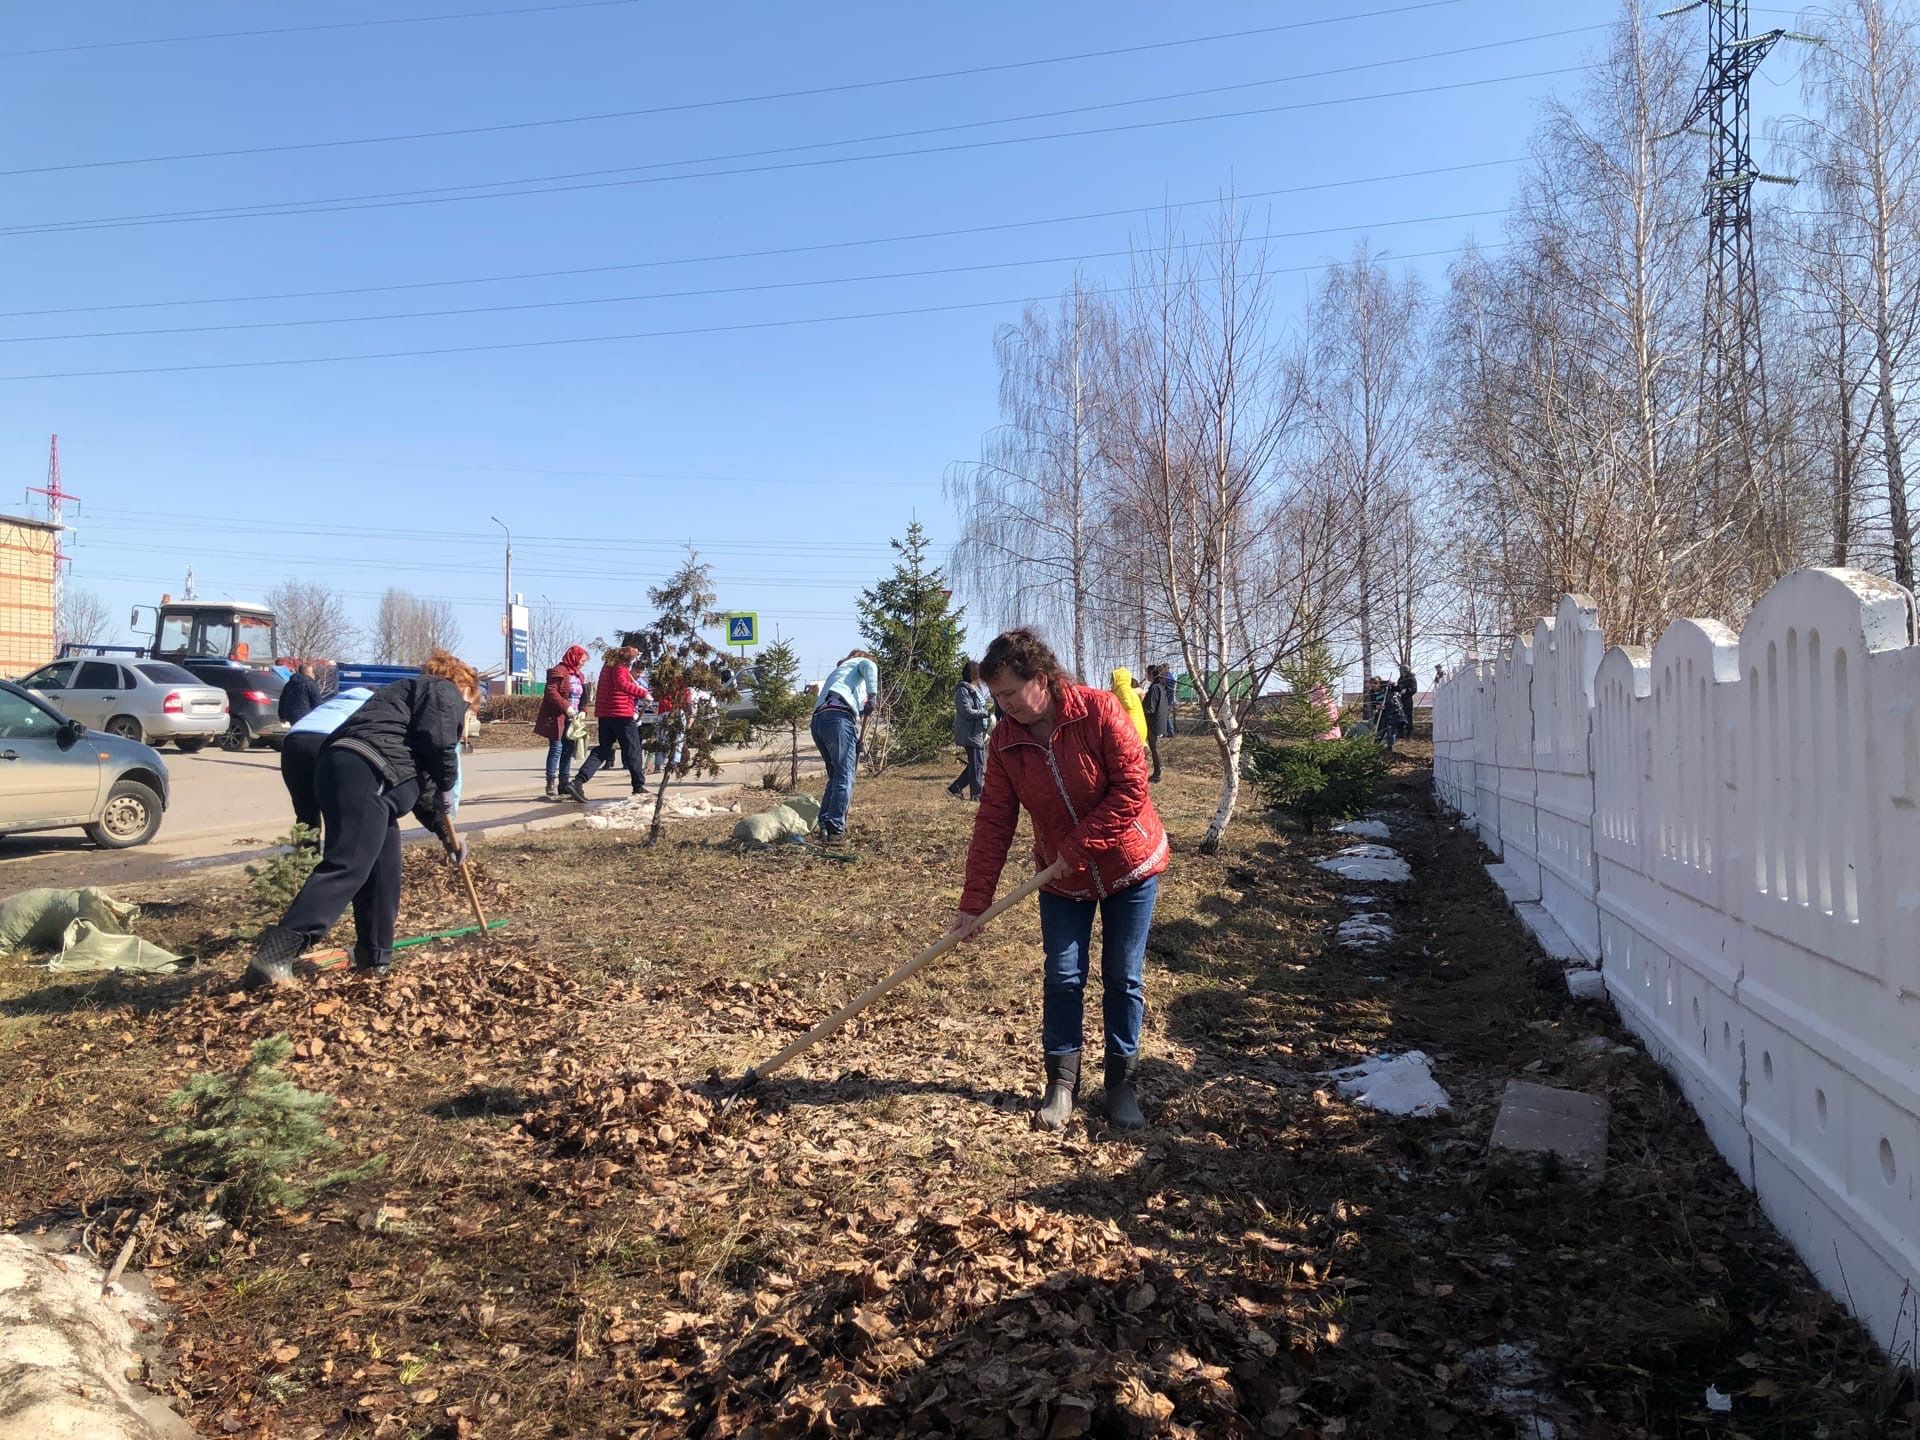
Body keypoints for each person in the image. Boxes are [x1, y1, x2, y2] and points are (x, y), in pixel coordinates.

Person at [950, 628, 1169, 1132]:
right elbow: (994, 821)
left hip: (1129, 866)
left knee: (1122, 976)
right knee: (1063, 976)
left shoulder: (1098, 711)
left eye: (1009, 693)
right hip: (1061, 879)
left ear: (1042, 679)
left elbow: (1131, 788)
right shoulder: (1007, 741)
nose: (1003, 706)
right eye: (996, 697)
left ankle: (1121, 1085)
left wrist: (1078, 846)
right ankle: (1061, 1085)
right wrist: (975, 898)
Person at [245, 651, 478, 987]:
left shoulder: (417, 706)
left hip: (366, 777)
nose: (468, 712)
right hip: (366, 771)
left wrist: (447, 835)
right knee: (349, 863)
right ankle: (274, 955)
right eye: (471, 704)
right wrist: (447, 783)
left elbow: (427, 792)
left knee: (385, 870)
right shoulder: (442, 691)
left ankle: (375, 959)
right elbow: (441, 746)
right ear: (465, 687)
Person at [279, 685, 374, 836]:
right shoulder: (371, 704)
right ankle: (333, 858)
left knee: (305, 813)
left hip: (292, 741)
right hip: (325, 741)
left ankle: (304, 857)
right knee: (336, 812)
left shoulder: (334, 702)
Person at [811, 649, 880, 846]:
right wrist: (872, 696)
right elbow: (869, 666)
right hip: (837, 719)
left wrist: (856, 735)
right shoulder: (861, 662)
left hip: (819, 721)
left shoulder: (840, 673)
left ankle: (824, 823)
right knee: (844, 775)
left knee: (835, 776)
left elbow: (846, 707)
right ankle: (835, 829)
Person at [566, 647, 649, 802]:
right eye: (632, 658)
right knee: (633, 749)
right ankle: (638, 786)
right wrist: (643, 694)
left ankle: (578, 781)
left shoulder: (606, 667)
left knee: (603, 750)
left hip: (605, 714)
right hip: (621, 714)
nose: (633, 661)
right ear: (627, 657)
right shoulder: (619, 666)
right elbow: (621, 684)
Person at [535, 644, 588, 800]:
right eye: (582, 660)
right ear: (575, 657)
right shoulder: (559, 671)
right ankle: (550, 782)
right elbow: (551, 692)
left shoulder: (580, 676)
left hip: (574, 718)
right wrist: (566, 707)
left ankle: (564, 783)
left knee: (568, 749)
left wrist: (583, 710)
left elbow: (583, 696)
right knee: (557, 748)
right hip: (558, 716)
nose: (583, 663)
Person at [947, 659, 991, 801]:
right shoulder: (963, 690)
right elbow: (966, 711)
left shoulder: (975, 689)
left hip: (977, 732)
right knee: (977, 765)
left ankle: (955, 788)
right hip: (970, 733)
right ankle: (977, 795)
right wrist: (985, 713)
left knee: (975, 764)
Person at [1110, 667, 1149, 749]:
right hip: (1136, 727)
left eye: (1113, 679)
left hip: (1133, 728)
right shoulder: (1125, 689)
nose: (1111, 682)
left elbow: (1127, 704)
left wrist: (1113, 708)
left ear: (1118, 679)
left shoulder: (1123, 688)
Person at [1142, 664, 1168, 783]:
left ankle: (1157, 773)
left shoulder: (1154, 688)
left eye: (1147, 673)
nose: (1146, 675)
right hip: (1159, 721)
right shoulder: (1160, 687)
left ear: (1152, 674)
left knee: (1153, 747)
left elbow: (1149, 708)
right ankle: (1157, 771)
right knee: (1154, 747)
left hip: (1153, 722)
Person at [1375, 679, 1408, 752]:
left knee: (1391, 731)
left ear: (1378, 683)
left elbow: (1399, 689)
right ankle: (1375, 746)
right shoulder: (1374, 692)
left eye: (1374, 685)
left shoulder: (1388, 688)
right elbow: (1374, 703)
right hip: (1383, 714)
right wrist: (1378, 706)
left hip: (1393, 713)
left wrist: (1393, 684)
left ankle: (1390, 748)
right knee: (1380, 730)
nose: (1373, 688)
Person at [1397, 664, 1418, 734]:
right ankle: (1400, 732)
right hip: (1400, 699)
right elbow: (1398, 688)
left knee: (1407, 715)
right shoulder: (1400, 679)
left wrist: (1406, 690)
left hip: (1407, 699)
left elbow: (1414, 689)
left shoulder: (1411, 678)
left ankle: (1409, 731)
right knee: (1399, 715)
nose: (1401, 672)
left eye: (1402, 671)